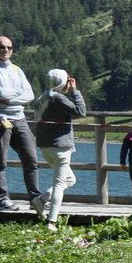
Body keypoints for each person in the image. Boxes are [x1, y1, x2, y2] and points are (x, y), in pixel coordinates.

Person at [0, 34, 41, 211]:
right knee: (0, 161)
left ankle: (35, 198)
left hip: (19, 118)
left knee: (31, 159)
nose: (6, 50)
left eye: (9, 47)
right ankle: (2, 199)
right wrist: (15, 95)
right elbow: (0, 93)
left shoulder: (17, 70)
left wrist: (8, 98)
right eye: (1, 47)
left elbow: (30, 95)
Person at [30, 68, 86, 230]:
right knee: (60, 184)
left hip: (45, 146)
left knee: (70, 179)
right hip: (60, 147)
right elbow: (81, 111)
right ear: (62, 82)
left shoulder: (42, 98)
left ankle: (40, 200)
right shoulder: (59, 99)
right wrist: (75, 91)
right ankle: (51, 221)